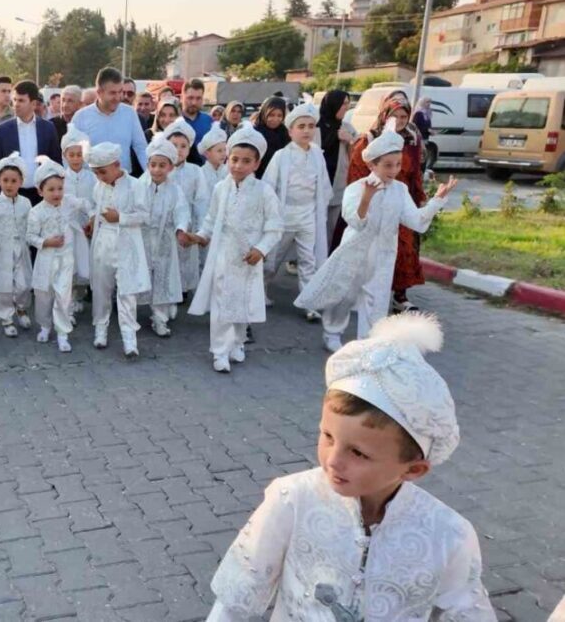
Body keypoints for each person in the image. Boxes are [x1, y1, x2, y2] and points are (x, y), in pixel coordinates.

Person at [207, 312, 494, 621]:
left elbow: (468, 611)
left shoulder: (447, 535)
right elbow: (236, 599)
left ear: (413, 469)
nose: (333, 460)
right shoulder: (292, 500)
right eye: (327, 436)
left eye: (358, 453)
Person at [295, 119, 456, 352]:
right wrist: (367, 198)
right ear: (372, 165)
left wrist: (437, 200)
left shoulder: (400, 190)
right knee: (345, 296)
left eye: (397, 165)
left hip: (384, 253)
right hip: (356, 250)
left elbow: (416, 221)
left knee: (376, 301)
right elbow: (355, 221)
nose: (394, 171)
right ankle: (332, 332)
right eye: (387, 165)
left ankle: (367, 346)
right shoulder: (356, 188)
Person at [187, 123, 283, 373]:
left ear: (256, 164)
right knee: (221, 303)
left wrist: (261, 249)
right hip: (223, 255)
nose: (238, 165)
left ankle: (238, 342)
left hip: (248, 258)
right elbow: (210, 220)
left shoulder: (265, 192)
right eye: (234, 159)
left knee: (243, 303)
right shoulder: (221, 188)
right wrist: (199, 236)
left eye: (246, 161)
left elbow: (275, 227)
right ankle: (219, 351)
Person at [340, 92, 429, 313]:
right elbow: (357, 176)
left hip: (401, 200)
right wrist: (368, 196)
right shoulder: (369, 140)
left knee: (403, 249)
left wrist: (420, 197)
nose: (399, 121)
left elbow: (415, 170)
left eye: (403, 116)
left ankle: (399, 295)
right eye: (394, 115)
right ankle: (356, 297)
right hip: (373, 203)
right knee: (368, 258)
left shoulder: (411, 138)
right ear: (384, 114)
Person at [261, 103, 333, 321]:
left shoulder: (318, 156)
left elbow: (323, 187)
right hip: (284, 215)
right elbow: (269, 187)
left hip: (307, 215)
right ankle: (261, 290)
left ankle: (308, 302)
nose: (306, 131)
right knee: (273, 257)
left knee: (308, 259)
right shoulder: (281, 156)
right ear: (291, 130)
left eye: (311, 126)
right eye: (301, 126)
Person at [87, 142, 150, 358]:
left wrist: (120, 218)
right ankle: (101, 329)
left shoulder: (135, 185)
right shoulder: (98, 187)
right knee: (102, 290)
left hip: (127, 244)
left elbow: (144, 215)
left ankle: (129, 338)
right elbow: (97, 210)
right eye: (96, 173)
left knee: (126, 292)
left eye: (102, 172)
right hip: (104, 243)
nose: (100, 177)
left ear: (116, 165)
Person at [27, 156, 92, 352]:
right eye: (51, 189)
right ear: (40, 191)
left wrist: (92, 219)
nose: (57, 193)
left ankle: (63, 333)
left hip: (65, 259)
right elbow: (30, 236)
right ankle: (45, 326)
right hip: (45, 260)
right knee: (43, 296)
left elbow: (87, 205)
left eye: (60, 188)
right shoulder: (36, 212)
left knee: (63, 296)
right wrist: (46, 242)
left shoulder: (69, 202)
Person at [137, 135, 189, 338]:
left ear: (170, 167)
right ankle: (128, 314)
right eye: (153, 165)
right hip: (142, 240)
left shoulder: (175, 190)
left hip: (164, 241)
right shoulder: (139, 186)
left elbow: (182, 211)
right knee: (139, 276)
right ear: (148, 165)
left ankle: (160, 318)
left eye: (162, 165)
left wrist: (180, 228)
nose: (157, 170)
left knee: (162, 280)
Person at [0, 80, 63, 205]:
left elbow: (56, 162)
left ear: (34, 103)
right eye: (15, 100)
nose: (16, 105)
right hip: (13, 196)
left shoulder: (48, 128)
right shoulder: (2, 131)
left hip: (41, 196)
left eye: (21, 100)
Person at [0, 152, 34, 337]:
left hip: (21, 248)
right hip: (1, 248)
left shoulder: (26, 203)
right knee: (3, 285)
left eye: (14, 181)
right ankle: (6, 318)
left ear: (21, 181)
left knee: (23, 283)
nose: (9, 185)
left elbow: (31, 224)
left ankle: (21, 308)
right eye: (5, 180)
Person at [161, 117, 209, 303]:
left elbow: (201, 201)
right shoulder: (160, 169)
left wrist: (200, 229)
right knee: (166, 257)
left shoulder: (196, 171)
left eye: (183, 146)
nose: (178, 150)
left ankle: (182, 289)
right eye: (174, 145)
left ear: (189, 149)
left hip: (188, 221)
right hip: (165, 221)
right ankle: (166, 290)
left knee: (185, 257)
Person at [72, 68, 148, 176]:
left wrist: (151, 177)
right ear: (99, 92)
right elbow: (71, 153)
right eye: (112, 93)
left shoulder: (130, 113)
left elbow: (141, 148)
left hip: (124, 183)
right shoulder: (81, 117)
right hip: (92, 185)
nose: (118, 97)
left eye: (120, 92)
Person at [60, 127, 97, 314]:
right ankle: (69, 301)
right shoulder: (61, 178)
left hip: (87, 228)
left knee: (85, 264)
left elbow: (96, 201)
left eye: (79, 154)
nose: (75, 158)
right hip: (68, 229)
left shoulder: (93, 177)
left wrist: (92, 220)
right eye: (71, 154)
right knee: (69, 265)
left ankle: (81, 295)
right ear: (65, 155)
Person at [318, 90, 356, 249]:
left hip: (338, 185)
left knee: (333, 228)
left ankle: (328, 260)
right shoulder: (314, 126)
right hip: (316, 186)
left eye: (348, 103)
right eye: (344, 103)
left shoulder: (347, 128)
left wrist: (350, 141)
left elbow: (358, 156)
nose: (346, 107)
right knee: (314, 227)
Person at [252, 96, 290, 179]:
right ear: (264, 113)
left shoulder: (285, 133)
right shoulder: (254, 134)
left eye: (279, 115)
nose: (275, 119)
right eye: (271, 115)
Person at [180, 78, 214, 151]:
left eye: (198, 98)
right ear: (181, 97)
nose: (194, 102)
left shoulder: (208, 121)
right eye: (190, 98)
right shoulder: (174, 120)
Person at [196, 122, 229, 190]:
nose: (223, 154)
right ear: (207, 153)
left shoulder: (229, 171)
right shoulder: (200, 173)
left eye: (225, 150)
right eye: (219, 151)